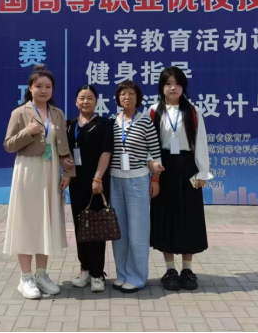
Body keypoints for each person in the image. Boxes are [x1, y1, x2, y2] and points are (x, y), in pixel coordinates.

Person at [3, 64, 75, 300]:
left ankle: (42, 275)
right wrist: (28, 132)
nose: (44, 90)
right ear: (30, 88)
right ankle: (25, 278)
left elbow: (64, 148)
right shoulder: (19, 113)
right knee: (26, 222)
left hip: (51, 172)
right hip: (28, 171)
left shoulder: (57, 113)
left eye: (48, 86)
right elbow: (9, 145)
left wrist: (68, 173)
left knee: (46, 221)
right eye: (39, 86)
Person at [149, 66, 213, 291]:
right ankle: (170, 270)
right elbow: (150, 144)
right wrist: (154, 173)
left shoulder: (193, 111)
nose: (172, 87)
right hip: (164, 167)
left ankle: (187, 269)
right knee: (165, 218)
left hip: (188, 168)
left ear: (183, 86)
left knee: (189, 217)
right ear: (162, 87)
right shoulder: (154, 111)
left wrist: (202, 172)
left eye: (177, 83)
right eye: (167, 83)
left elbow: (201, 142)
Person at [109, 80, 163, 293]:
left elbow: (155, 151)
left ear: (138, 98)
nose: (127, 97)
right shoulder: (112, 121)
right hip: (115, 181)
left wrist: (155, 179)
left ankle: (137, 277)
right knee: (119, 232)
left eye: (131, 94)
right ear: (118, 98)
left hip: (138, 181)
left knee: (138, 231)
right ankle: (122, 274)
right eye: (123, 93)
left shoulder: (145, 121)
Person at [64, 85, 113, 293]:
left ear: (96, 101)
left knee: (96, 227)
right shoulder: (69, 125)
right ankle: (84, 268)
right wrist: (67, 174)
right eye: (82, 98)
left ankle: (97, 273)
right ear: (76, 101)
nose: (85, 102)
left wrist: (98, 178)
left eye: (90, 98)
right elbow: (65, 152)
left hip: (97, 183)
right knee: (80, 226)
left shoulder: (104, 123)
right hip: (77, 183)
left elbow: (106, 152)